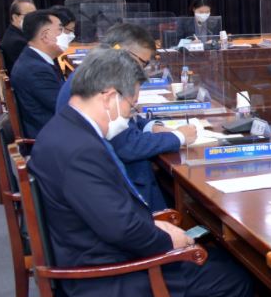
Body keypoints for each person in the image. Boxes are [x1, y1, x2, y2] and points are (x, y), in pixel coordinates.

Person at [28, 47, 271, 297]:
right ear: (109, 97)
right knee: (232, 277)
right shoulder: (79, 150)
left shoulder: (65, 130)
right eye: (131, 106)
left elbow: (108, 214)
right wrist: (168, 239)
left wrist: (155, 224)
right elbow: (120, 228)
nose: (129, 115)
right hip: (103, 280)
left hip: (93, 251)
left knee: (221, 258)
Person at [56, 23, 197, 210]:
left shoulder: (94, 71)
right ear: (122, 52)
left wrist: (152, 126)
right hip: (121, 187)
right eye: (143, 63)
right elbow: (127, 146)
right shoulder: (102, 82)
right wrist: (178, 137)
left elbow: (128, 116)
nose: (143, 70)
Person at [11, 9, 74, 138]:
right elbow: (67, 108)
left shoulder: (34, 59)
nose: (66, 35)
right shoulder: (35, 70)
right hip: (51, 136)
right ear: (45, 36)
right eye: (60, 30)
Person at [1, 0, 36, 76]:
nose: (34, 19)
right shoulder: (17, 41)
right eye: (30, 15)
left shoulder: (15, 33)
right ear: (15, 17)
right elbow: (32, 67)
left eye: (35, 15)